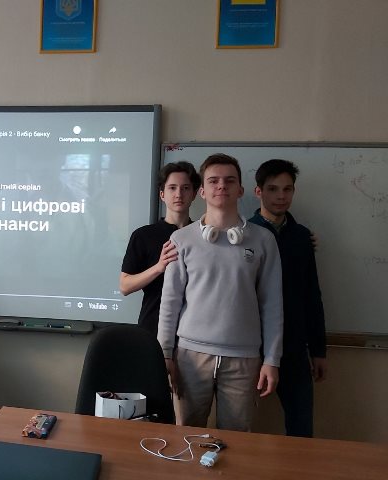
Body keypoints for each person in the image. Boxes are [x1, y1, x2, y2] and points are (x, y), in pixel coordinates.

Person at [158, 153, 283, 432]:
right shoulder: (181, 239)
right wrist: (165, 354)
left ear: (241, 189)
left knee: (237, 441)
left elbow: (273, 304)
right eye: (213, 181)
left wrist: (272, 360)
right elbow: (170, 303)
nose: (221, 186)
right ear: (202, 191)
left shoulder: (264, 240)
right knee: (187, 436)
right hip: (190, 358)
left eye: (229, 181)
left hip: (244, 359)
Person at [249, 159, 326, 437]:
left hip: (293, 345)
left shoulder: (302, 236)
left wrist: (318, 350)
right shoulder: (243, 233)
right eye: (273, 189)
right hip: (249, 345)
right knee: (236, 424)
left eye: (287, 189)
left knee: (301, 427)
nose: (281, 196)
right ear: (259, 192)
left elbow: (311, 294)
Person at [120, 162, 201, 335]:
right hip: (152, 328)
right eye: (172, 188)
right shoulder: (143, 235)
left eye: (185, 188)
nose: (179, 194)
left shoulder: (203, 234)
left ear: (194, 194)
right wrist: (158, 267)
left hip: (194, 331)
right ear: (162, 194)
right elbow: (125, 286)